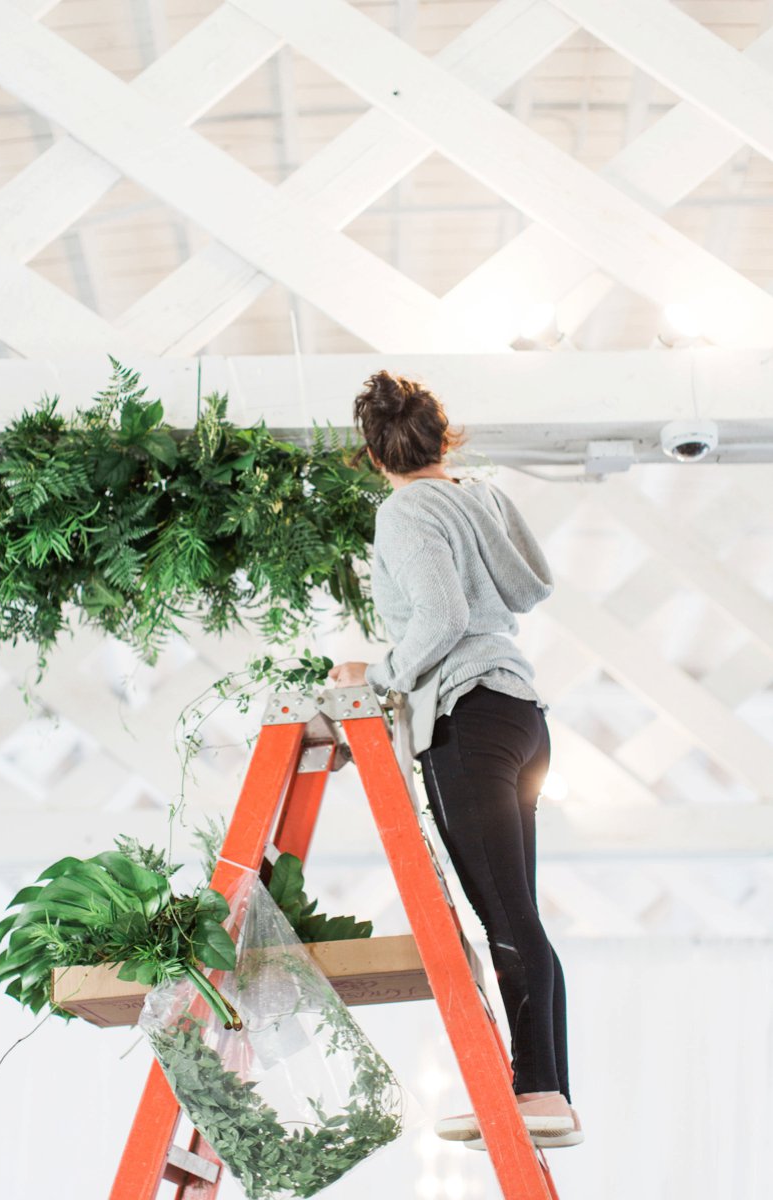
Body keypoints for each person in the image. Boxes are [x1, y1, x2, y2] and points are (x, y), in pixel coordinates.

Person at [327, 370, 582, 1150]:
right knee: (517, 912)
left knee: (505, 915)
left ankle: (541, 1092)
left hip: (466, 716)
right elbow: (531, 585)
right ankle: (543, 1089)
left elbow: (441, 614)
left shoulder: (405, 511)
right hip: (521, 715)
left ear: (375, 456)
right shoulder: (485, 496)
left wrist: (373, 679)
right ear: (448, 437)